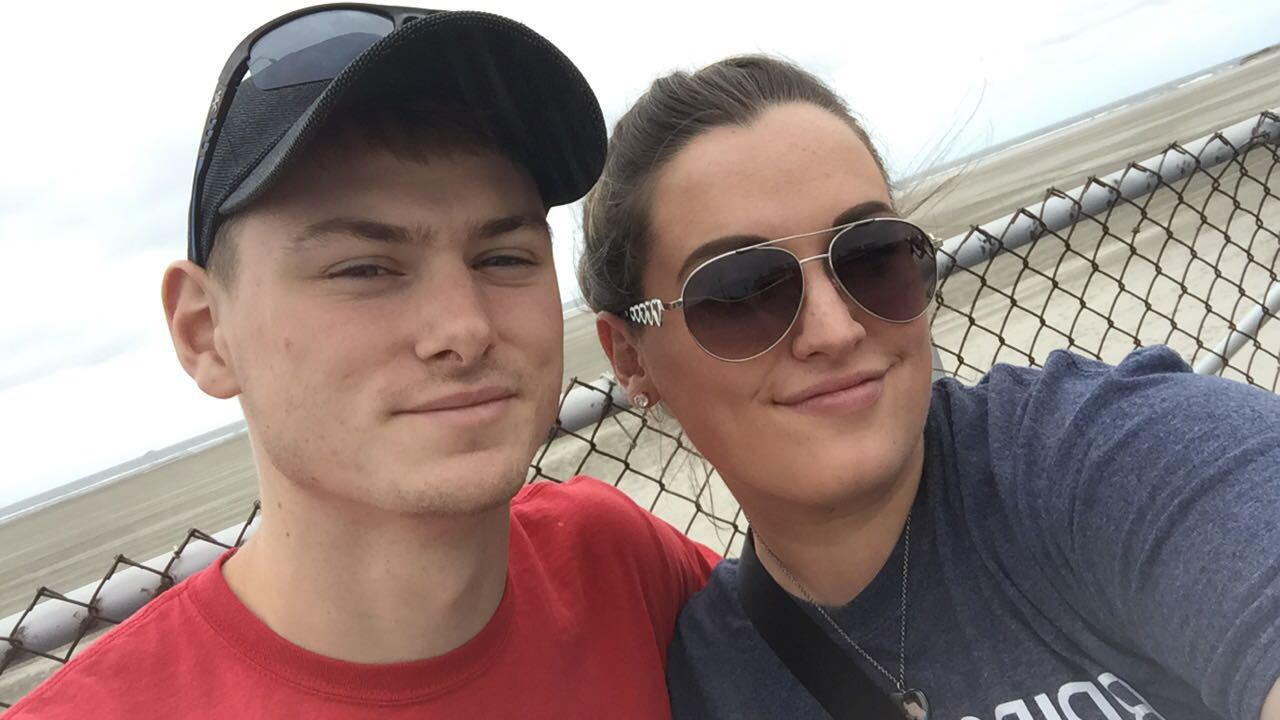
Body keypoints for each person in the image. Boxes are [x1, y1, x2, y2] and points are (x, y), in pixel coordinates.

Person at [5, 6, 715, 718]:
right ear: (205, 333)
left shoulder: (616, 563)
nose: (465, 329)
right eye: (365, 269)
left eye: (503, 258)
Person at [578, 54, 1280, 719]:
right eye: (742, 291)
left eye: (870, 257)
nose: (835, 330)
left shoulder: (1093, 460)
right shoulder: (705, 682)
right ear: (631, 358)